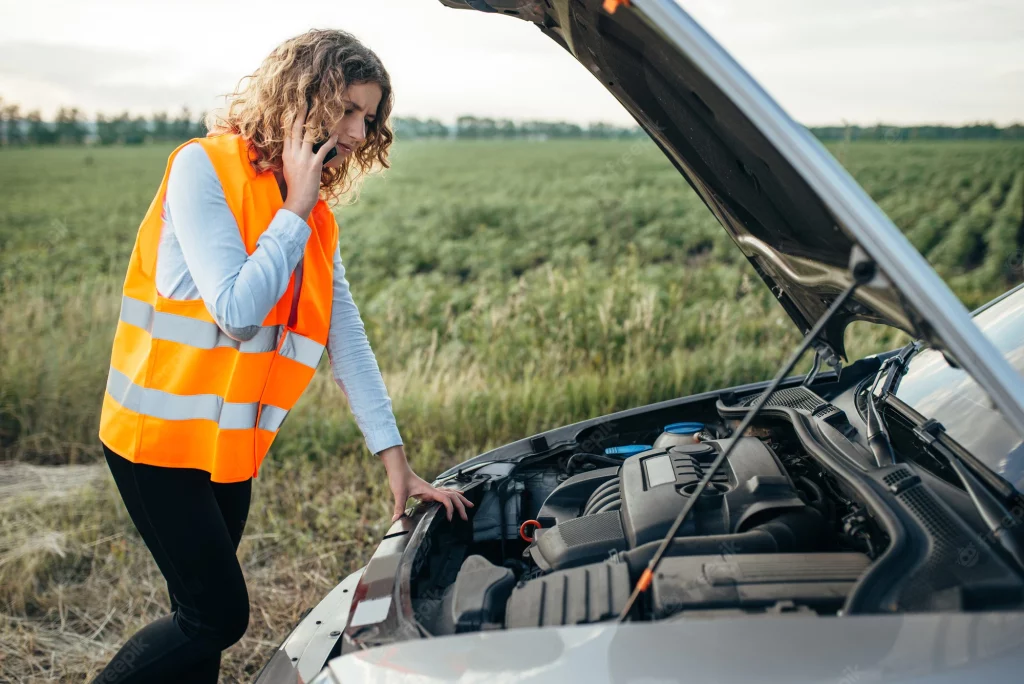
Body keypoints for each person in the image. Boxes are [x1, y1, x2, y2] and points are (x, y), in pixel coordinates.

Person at [93, 28, 472, 684]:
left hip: (228, 449)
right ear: (303, 97)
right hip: (155, 441)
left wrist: (396, 461)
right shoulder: (202, 168)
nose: (357, 133)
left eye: (369, 118)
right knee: (215, 618)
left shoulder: (314, 219)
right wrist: (295, 206)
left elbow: (346, 338)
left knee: (199, 625)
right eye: (347, 110)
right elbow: (237, 312)